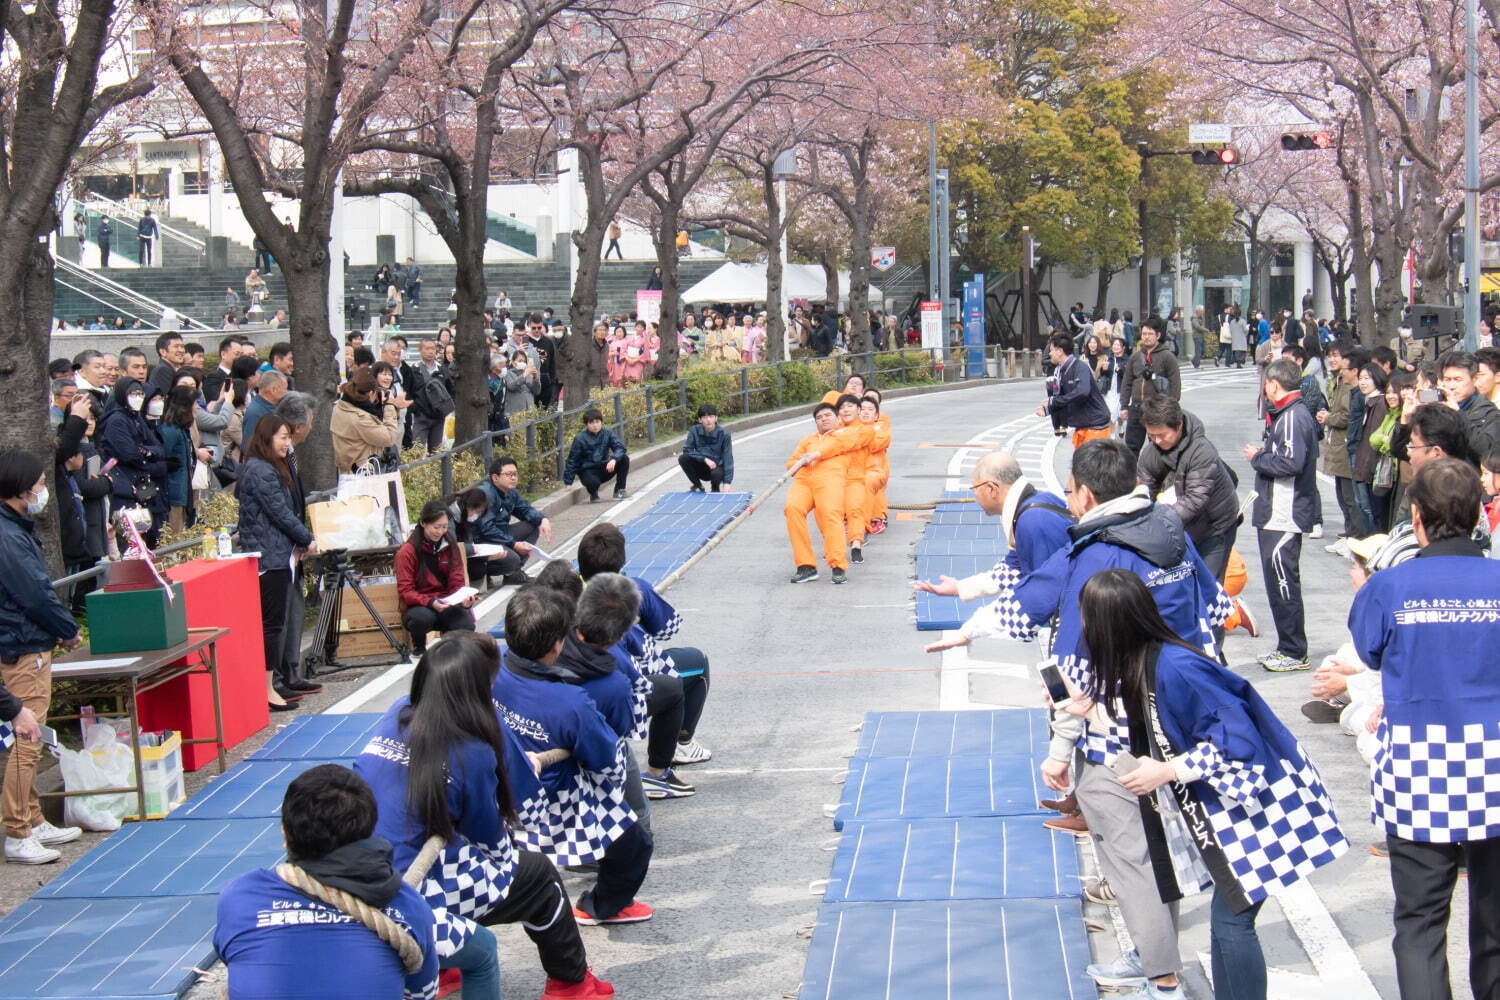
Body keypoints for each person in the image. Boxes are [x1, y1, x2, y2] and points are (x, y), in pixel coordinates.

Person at [997, 440, 1229, 996]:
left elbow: (1070, 664)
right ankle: (1156, 955)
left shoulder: (1097, 555)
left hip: (1117, 724)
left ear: (1084, 493)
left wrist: (1058, 748)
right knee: (1159, 845)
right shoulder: (1167, 529)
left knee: (1129, 854)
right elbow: (1218, 608)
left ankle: (1161, 975)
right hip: (1180, 703)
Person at [1067, 569, 1347, 1000]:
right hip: (1233, 801)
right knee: (1230, 916)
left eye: (1086, 617)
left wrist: (1169, 770)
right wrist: (1092, 716)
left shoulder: (1178, 668)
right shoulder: (1146, 662)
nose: (1081, 627)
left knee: (1233, 919)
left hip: (1264, 798)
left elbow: (1240, 742)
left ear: (1108, 624)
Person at [354, 634, 611, 1000]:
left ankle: (445, 966)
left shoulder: (398, 711)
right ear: (479, 688)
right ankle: (571, 983)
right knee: (537, 876)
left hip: (360, 872)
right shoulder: (472, 748)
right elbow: (488, 838)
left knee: (444, 848)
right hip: (405, 895)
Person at [1347, 459, 1500, 1000]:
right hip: (1497, 767)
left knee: (1419, 922)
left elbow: (1367, 651)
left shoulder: (1390, 587)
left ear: (1416, 518)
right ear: (1480, 514)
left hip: (1418, 768)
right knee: (1496, 924)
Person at [491, 587, 654, 928]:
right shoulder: (572, 703)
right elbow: (605, 757)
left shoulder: (490, 668)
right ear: (557, 645)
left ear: (508, 632)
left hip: (497, 784)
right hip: (556, 798)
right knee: (634, 842)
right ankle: (600, 906)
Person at [213, 764, 438, 1000]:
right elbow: (422, 993)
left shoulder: (241, 898)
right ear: (369, 830)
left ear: (285, 834)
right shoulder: (408, 905)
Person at [0, 451, 83, 865]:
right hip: (20, 646)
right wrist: (66, 629)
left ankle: (33, 819)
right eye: (36, 483)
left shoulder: (14, 529)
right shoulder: (9, 536)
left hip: (25, 642)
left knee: (33, 732)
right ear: (19, 488)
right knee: (26, 738)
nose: (41, 490)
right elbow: (34, 593)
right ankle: (17, 829)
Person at [576, 524, 714, 771]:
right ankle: (676, 749)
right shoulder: (634, 588)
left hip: (575, 680)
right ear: (621, 561)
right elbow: (667, 630)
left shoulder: (566, 591)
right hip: (621, 683)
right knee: (691, 667)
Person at [915, 449, 1073, 647]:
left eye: (975, 488)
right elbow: (1014, 568)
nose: (974, 495)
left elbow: (1042, 592)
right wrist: (961, 588)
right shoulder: (1035, 504)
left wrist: (969, 631)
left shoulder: (1033, 521)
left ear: (991, 488)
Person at [1137, 394, 1241, 626]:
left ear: (1179, 425)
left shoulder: (1201, 450)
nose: (1156, 441)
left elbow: (1195, 500)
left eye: (1162, 435)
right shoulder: (1151, 452)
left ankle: (1212, 651)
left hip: (1214, 527)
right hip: (1178, 527)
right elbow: (1144, 489)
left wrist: (1159, 522)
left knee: (1209, 592)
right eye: (1151, 435)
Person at [1246, 358, 1320, 672]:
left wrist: (1258, 457)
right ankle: (1286, 647)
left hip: (1284, 512)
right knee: (1278, 581)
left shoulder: (1291, 417)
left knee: (1283, 581)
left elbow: (1290, 463)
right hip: (1277, 512)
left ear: (1274, 384)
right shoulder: (1291, 414)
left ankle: (1293, 649)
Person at [237, 416, 315, 712]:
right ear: (267, 437)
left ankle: (269, 686)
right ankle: (266, 688)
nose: (288, 443)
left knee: (274, 623)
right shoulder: (260, 470)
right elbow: (280, 513)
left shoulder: (266, 467)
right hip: (269, 556)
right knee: (272, 625)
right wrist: (307, 538)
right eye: (282, 437)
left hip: (276, 552)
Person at [784, 400, 864, 584]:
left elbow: (835, 446)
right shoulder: (808, 440)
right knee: (792, 509)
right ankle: (806, 566)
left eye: (828, 415)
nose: (823, 419)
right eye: (819, 418)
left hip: (830, 480)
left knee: (830, 514)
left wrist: (816, 455)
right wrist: (799, 463)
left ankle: (838, 565)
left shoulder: (847, 433)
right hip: (804, 481)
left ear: (837, 417)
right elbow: (791, 463)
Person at [395, 500, 476, 654]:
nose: (440, 532)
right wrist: (431, 602)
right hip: (420, 605)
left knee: (467, 626)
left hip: (446, 601)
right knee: (421, 620)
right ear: (423, 523)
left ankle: (448, 641)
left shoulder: (450, 545)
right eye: (436, 527)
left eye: (444, 527)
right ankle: (419, 644)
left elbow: (457, 580)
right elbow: (405, 591)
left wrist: (463, 599)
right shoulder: (406, 552)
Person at [472, 455, 552, 585]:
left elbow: (525, 510)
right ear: (495, 478)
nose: (513, 477)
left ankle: (513, 573)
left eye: (515, 474)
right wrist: (513, 544)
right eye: (509, 474)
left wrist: (542, 519)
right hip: (482, 542)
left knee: (533, 525)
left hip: (501, 536)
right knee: (513, 559)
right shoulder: (485, 494)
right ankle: (487, 571)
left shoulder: (510, 492)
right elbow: (486, 529)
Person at [1120, 316, 1182, 454]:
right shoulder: (1135, 357)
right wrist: (1124, 406)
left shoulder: (1167, 357)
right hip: (1136, 408)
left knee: (1158, 448)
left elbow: (1175, 388)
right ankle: (1131, 475)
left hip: (1157, 410)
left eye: (1150, 334)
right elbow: (1127, 383)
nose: (1146, 337)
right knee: (1131, 448)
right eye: (1144, 334)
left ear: (1158, 335)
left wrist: (1168, 410)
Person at [1037, 334, 1111, 447]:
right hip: (1083, 425)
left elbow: (1082, 392)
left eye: (1051, 350)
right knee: (1080, 463)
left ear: (1060, 351)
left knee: (1090, 463)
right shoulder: (1061, 371)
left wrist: (1054, 402)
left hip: (1095, 425)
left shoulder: (1079, 367)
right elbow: (1064, 397)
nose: (1049, 354)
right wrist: (1048, 409)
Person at [330, 369, 403, 474]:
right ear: (371, 393)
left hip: (348, 471)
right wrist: (389, 405)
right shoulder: (360, 419)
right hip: (363, 474)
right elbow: (389, 438)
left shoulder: (340, 406)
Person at [563, 409, 629, 502]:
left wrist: (614, 459)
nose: (595, 425)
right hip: (588, 470)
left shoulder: (607, 433)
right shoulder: (580, 439)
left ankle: (619, 490)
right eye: (591, 423)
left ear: (601, 422)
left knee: (624, 459)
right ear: (586, 424)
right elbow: (573, 460)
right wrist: (568, 482)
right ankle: (593, 494)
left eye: (597, 422)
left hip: (604, 467)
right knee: (592, 483)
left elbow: (620, 447)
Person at [409, 337, 454, 453]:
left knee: (436, 452)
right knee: (417, 450)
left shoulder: (442, 370)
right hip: (421, 416)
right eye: (427, 348)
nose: (430, 351)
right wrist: (415, 409)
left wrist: (445, 409)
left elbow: (451, 390)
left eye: (433, 348)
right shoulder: (413, 370)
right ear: (420, 350)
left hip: (438, 417)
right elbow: (408, 393)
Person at [679, 404, 733, 492]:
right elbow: (687, 450)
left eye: (711, 416)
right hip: (702, 466)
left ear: (716, 418)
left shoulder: (725, 434)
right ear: (700, 420)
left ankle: (715, 488)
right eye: (705, 417)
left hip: (716, 469)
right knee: (683, 458)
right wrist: (704, 459)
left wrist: (727, 482)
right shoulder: (694, 431)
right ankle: (698, 485)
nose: (708, 420)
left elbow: (728, 458)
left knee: (717, 473)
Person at [858, 395, 891, 536]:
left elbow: (874, 445)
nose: (865, 412)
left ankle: (876, 517)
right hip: (855, 469)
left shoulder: (881, 431)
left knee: (870, 482)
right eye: (862, 409)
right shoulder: (850, 429)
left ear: (876, 415)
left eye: (870, 409)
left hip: (876, 470)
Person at [242, 369, 288, 444]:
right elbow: (248, 446)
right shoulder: (256, 413)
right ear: (273, 389)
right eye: (285, 389)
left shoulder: (272, 408)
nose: (286, 392)